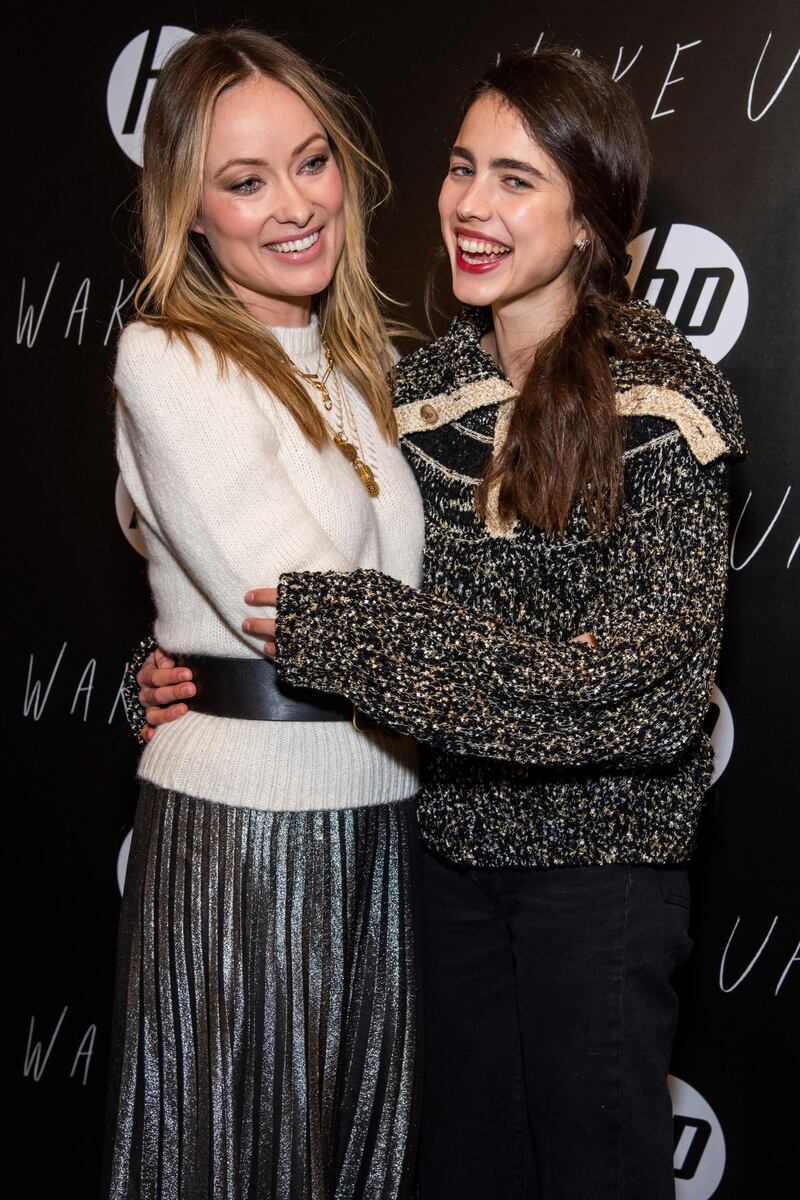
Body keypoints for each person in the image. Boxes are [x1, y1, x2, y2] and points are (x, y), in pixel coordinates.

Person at [136, 48, 744, 1200]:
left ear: (586, 220)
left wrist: (351, 634)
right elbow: (303, 562)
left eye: (516, 181)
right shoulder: (409, 396)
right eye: (462, 169)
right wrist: (191, 671)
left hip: (594, 878)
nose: (469, 205)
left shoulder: (671, 401)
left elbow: (644, 693)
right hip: (433, 862)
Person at [106, 27, 425, 1200]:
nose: (293, 205)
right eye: (243, 182)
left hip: (382, 815)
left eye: (310, 161)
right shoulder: (168, 358)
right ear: (189, 210)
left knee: (356, 1159)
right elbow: (298, 604)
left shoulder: (364, 365)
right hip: (251, 832)